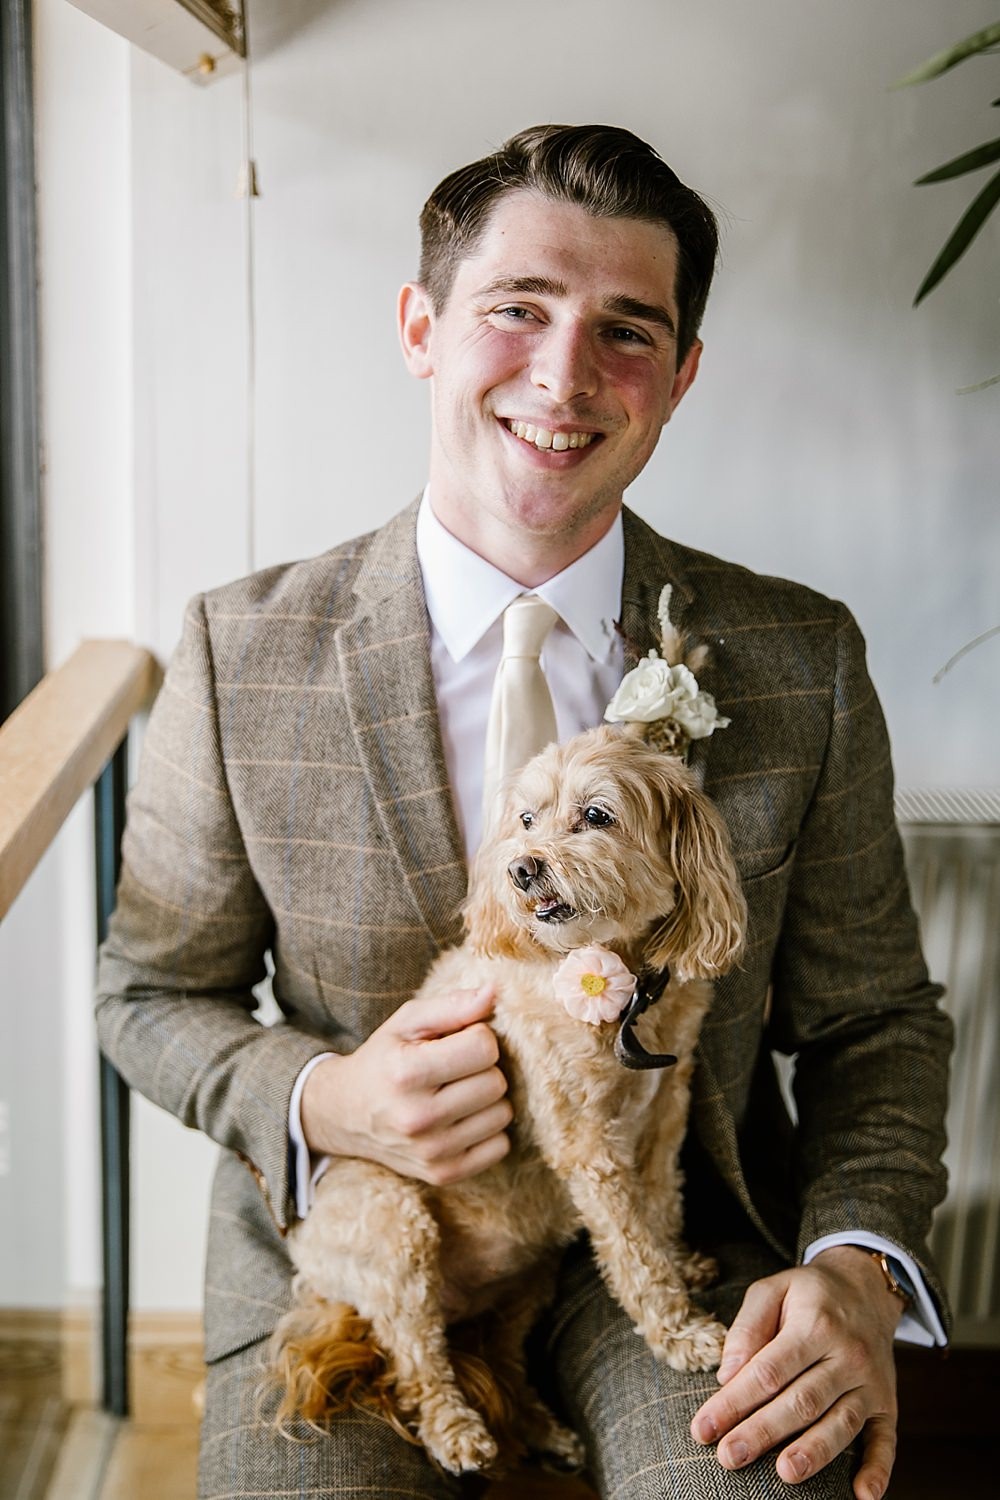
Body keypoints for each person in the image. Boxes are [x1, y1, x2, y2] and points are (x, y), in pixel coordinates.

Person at [96, 124, 952, 1500]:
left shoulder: (803, 658)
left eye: (628, 330)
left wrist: (856, 1266)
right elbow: (146, 995)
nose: (564, 376)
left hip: (684, 1239)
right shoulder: (236, 648)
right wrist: (328, 1097)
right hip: (368, 1246)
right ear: (421, 327)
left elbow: (875, 1024)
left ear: (679, 378)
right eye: (516, 310)